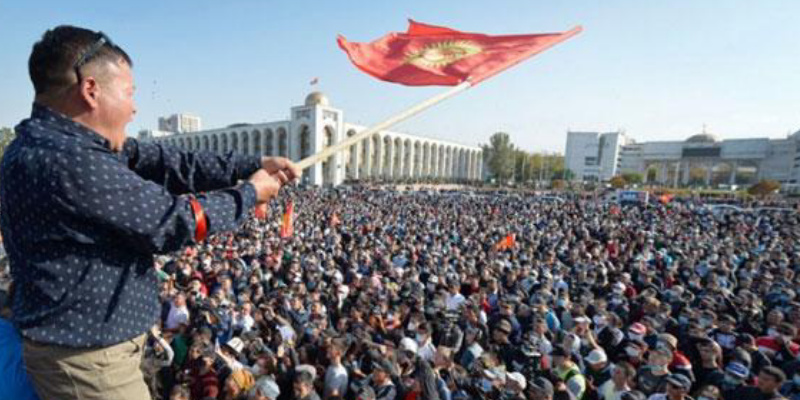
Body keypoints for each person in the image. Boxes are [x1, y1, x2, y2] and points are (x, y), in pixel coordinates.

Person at [0, 26, 300, 400]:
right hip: (89, 362)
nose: (135, 107)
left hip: (92, 346)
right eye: (129, 92)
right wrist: (249, 193)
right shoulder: (69, 161)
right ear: (91, 90)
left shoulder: (56, 143)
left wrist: (250, 163)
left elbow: (165, 160)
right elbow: (174, 222)